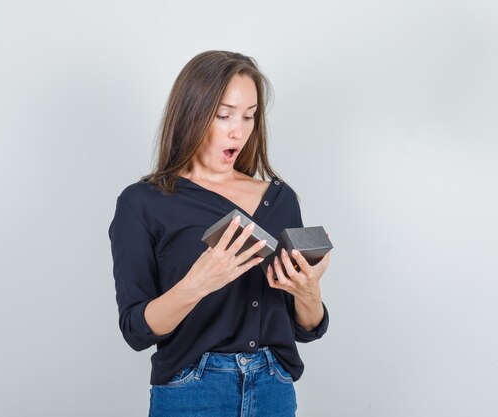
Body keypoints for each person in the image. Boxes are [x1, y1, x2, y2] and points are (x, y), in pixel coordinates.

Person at [108, 50, 331, 417]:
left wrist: (308, 292)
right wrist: (197, 284)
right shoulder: (143, 203)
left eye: (249, 116)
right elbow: (135, 330)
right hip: (192, 390)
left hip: (273, 387)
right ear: (191, 114)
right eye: (223, 115)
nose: (238, 131)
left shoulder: (281, 199)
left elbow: (306, 328)